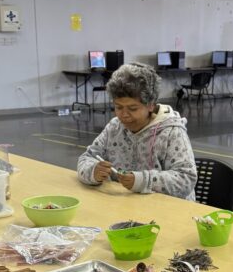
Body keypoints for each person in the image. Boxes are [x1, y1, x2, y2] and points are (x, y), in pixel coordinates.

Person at [77, 62, 197, 200]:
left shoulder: (172, 132)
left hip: (168, 211)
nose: (124, 115)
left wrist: (143, 181)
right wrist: (93, 171)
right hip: (124, 206)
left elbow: (186, 178)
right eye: (118, 107)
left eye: (133, 108)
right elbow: (86, 158)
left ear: (151, 105)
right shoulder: (114, 128)